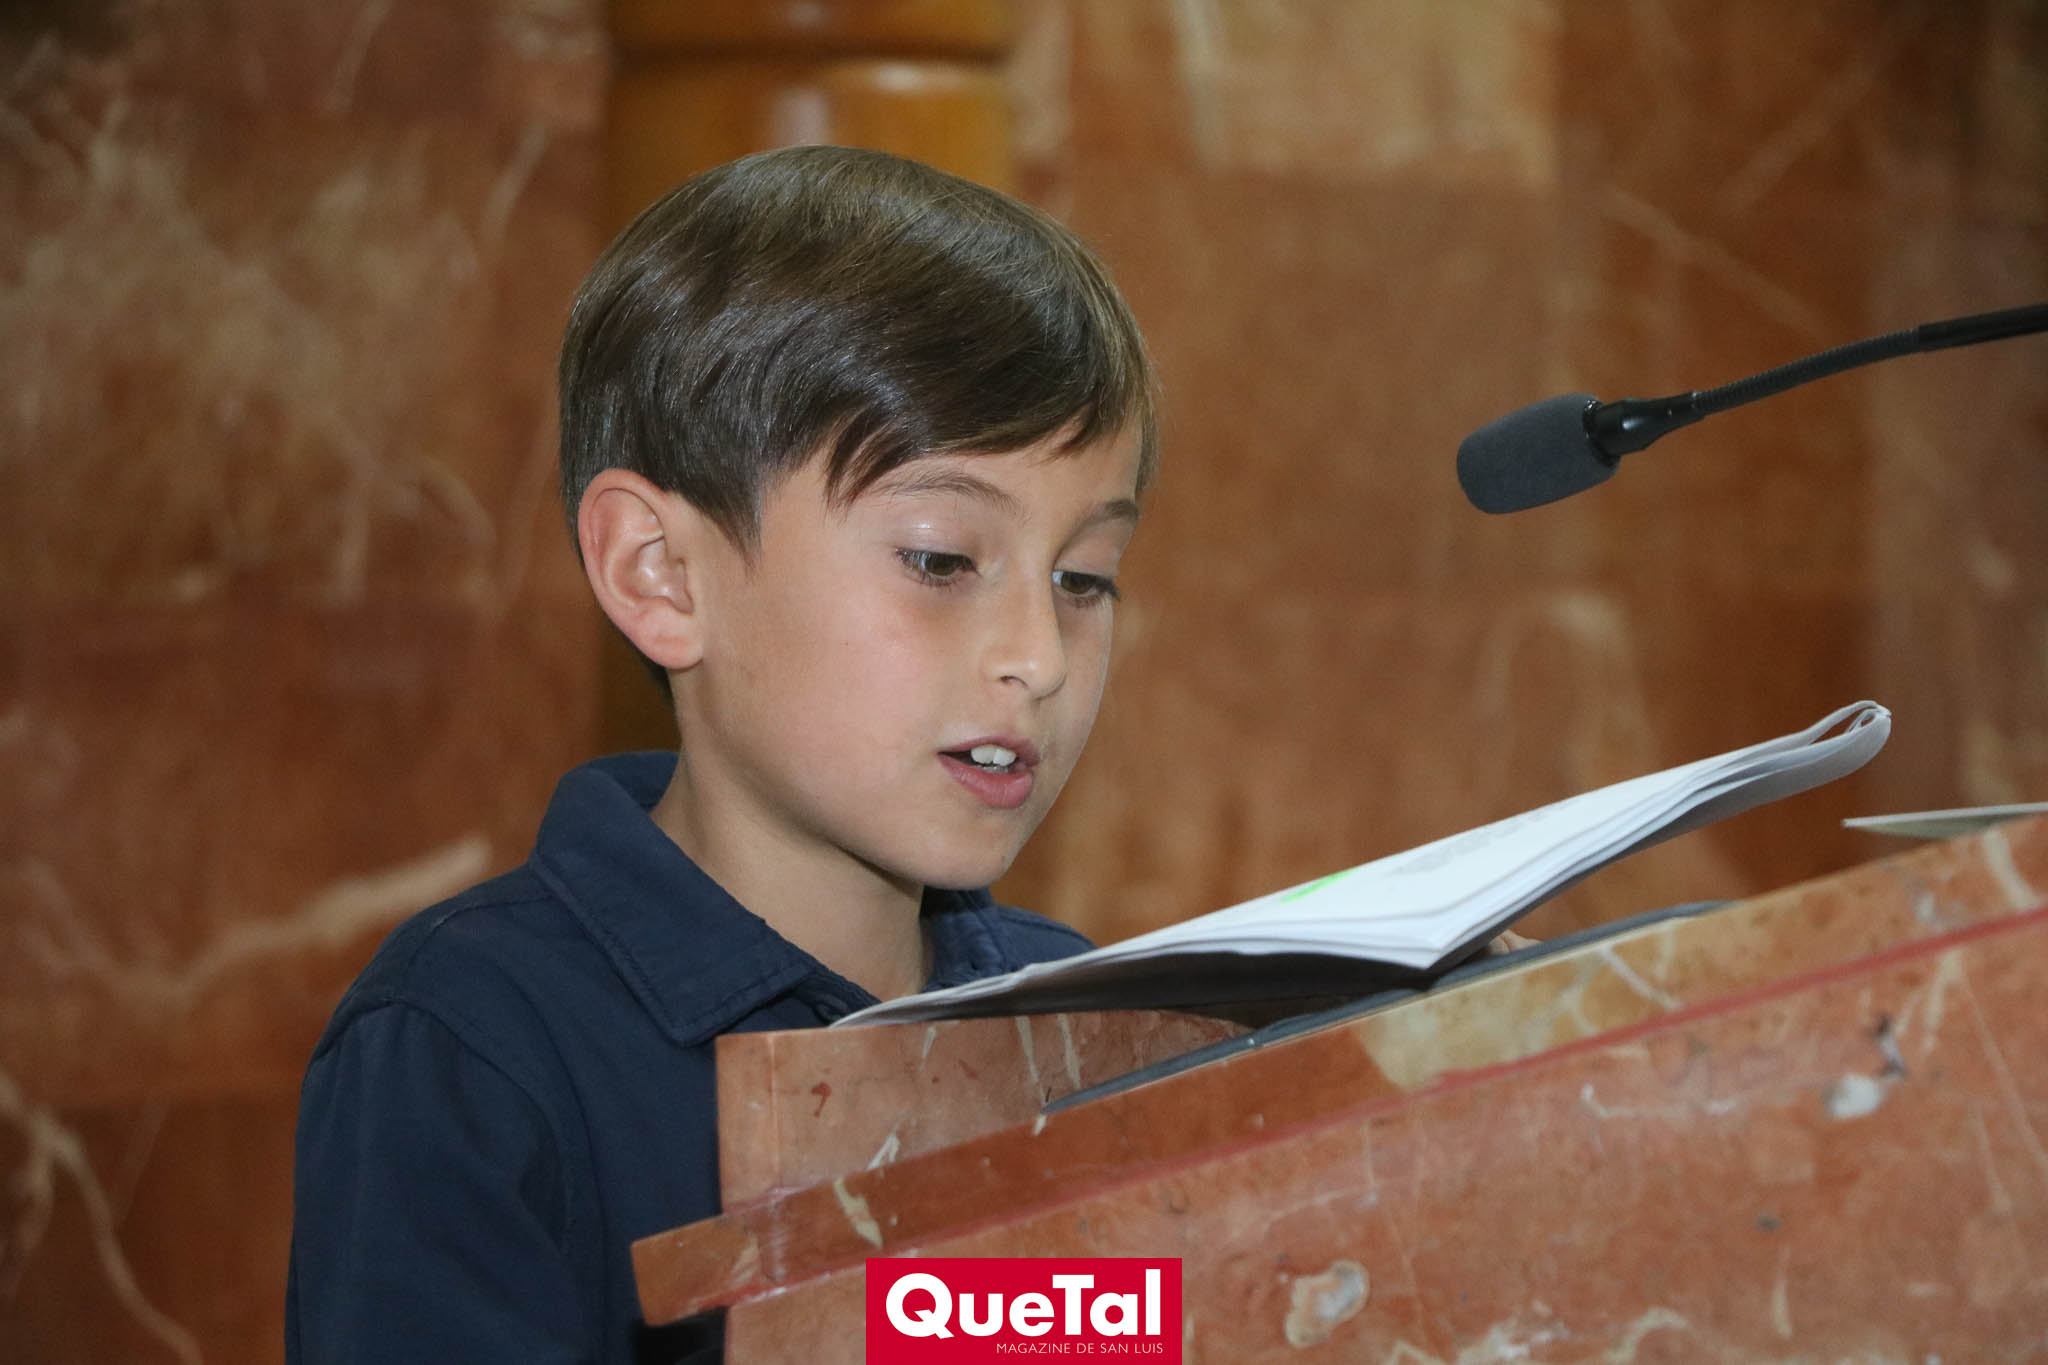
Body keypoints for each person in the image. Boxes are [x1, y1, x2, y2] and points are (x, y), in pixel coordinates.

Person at [285, 144, 1158, 1364]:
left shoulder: (1086, 1019)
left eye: (1083, 579)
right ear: (662, 573)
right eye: (939, 560)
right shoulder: (471, 1047)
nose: (1039, 658)